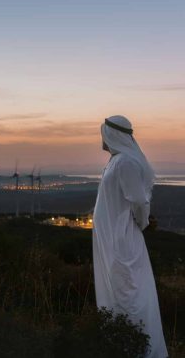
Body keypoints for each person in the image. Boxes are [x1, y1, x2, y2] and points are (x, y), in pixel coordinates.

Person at [93, 115, 168, 358]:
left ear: (112, 134)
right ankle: (122, 344)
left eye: (103, 132)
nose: (101, 138)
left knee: (128, 291)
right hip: (113, 239)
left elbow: (138, 200)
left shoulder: (125, 162)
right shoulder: (117, 161)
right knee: (118, 290)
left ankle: (139, 349)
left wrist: (141, 222)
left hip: (121, 241)